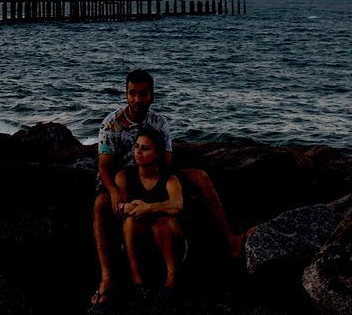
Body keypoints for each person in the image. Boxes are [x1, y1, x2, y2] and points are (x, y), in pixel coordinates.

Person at [90, 69, 240, 306]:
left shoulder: (159, 122)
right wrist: (115, 191)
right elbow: (104, 167)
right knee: (100, 204)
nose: (137, 99)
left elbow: (167, 160)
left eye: (143, 94)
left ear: (152, 95)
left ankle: (230, 241)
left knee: (200, 177)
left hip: (153, 170)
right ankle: (107, 277)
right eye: (132, 94)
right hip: (121, 177)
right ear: (126, 95)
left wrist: (157, 182)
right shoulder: (111, 124)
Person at [118, 128, 185, 299]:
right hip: (138, 240)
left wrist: (149, 208)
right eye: (136, 147)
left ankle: (172, 279)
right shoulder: (124, 176)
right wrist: (124, 207)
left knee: (162, 222)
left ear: (158, 154)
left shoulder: (169, 179)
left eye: (145, 148)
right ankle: (137, 281)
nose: (138, 152)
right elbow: (117, 206)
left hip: (169, 242)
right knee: (130, 221)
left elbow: (177, 205)